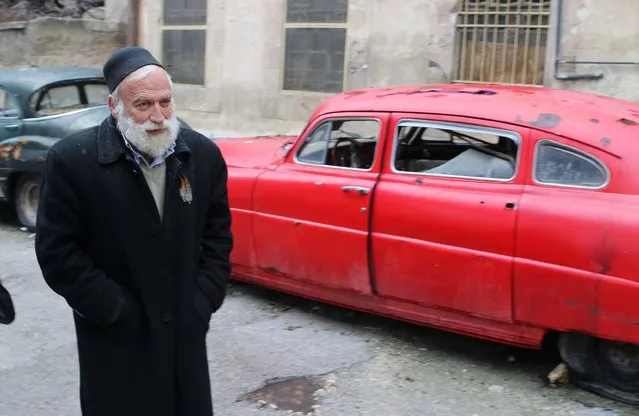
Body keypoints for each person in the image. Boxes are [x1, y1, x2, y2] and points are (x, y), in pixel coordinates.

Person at [34, 47, 233, 416]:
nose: (158, 116)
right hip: (115, 340)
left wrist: (203, 300)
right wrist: (111, 309)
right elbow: (57, 253)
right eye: (143, 105)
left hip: (183, 335)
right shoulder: (72, 161)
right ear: (114, 106)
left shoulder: (202, 157)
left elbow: (218, 236)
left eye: (165, 102)